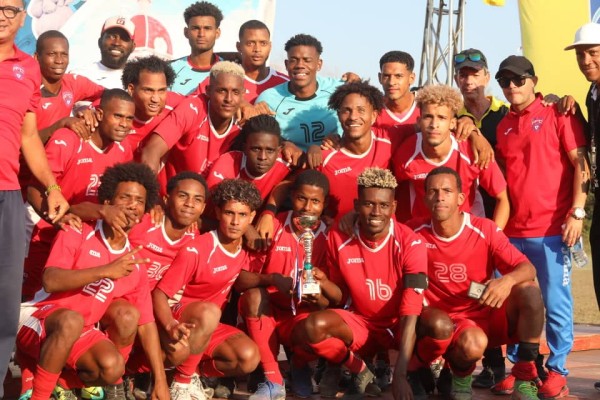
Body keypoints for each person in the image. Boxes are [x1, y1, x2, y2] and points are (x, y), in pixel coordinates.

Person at [17, 162, 168, 400]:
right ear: (106, 203)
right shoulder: (77, 228)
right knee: (71, 319)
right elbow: (50, 281)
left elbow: (146, 325)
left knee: (113, 364)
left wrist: (161, 383)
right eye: (125, 198)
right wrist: (105, 270)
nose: (132, 206)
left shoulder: (135, 261)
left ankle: (62, 383)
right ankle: (40, 395)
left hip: (80, 331)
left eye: (139, 201)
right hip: (38, 319)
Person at [494, 55, 589, 399]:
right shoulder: (503, 124)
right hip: (513, 232)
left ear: (534, 80)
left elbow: (582, 164)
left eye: (518, 80)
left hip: (552, 229)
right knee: (517, 305)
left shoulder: (558, 112)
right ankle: (524, 370)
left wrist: (576, 212)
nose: (512, 87)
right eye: (505, 81)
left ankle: (559, 370)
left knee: (556, 303)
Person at [291, 167, 429, 400]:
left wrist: (401, 374)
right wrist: (321, 284)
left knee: (439, 325)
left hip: (397, 325)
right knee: (311, 327)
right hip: (361, 324)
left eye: (384, 205)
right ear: (356, 205)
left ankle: (417, 370)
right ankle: (359, 370)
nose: (376, 212)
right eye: (368, 204)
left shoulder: (411, 242)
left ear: (393, 207)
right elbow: (339, 298)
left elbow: (410, 309)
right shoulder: (338, 236)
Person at [411, 166, 544, 400]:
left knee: (530, 292)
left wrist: (506, 281)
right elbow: (377, 225)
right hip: (438, 323)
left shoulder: (485, 229)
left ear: (461, 198)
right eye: (433, 191)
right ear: (425, 198)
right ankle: (452, 373)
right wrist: (351, 217)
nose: (440, 196)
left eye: (447, 191)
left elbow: (528, 268)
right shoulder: (413, 231)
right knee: (468, 340)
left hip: (481, 315)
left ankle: (524, 378)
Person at [0, 1, 69, 395]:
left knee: (5, 308)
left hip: (8, 195)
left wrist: (53, 187)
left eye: (9, 8)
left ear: (22, 18)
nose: (2, 15)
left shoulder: (28, 69)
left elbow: (29, 137)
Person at [152, 179, 263, 400]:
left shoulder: (248, 250)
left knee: (248, 357)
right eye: (229, 213)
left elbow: (243, 278)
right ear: (218, 212)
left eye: (242, 215)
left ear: (251, 218)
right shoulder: (196, 249)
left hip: (208, 326)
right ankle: (181, 384)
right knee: (210, 312)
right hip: (180, 319)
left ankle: (192, 374)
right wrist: (170, 324)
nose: (234, 221)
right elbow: (159, 294)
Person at [22, 89, 135, 301]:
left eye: (129, 119)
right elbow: (34, 191)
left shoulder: (124, 149)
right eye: (118, 116)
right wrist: (58, 219)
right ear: (99, 114)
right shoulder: (68, 138)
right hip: (46, 234)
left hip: (85, 244)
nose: (124, 124)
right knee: (26, 301)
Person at [238, 170, 336, 400]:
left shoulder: (332, 236)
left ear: (324, 204)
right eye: (302, 198)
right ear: (292, 197)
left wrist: (316, 296)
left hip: (302, 317)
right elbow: (241, 280)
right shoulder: (271, 226)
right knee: (252, 296)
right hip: (269, 312)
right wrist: (273, 279)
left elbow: (335, 299)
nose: (307, 207)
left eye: (315, 201)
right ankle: (273, 378)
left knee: (323, 320)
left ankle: (300, 365)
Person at [452, 47, 511, 390]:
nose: (469, 80)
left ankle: (507, 365)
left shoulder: (505, 113)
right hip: (467, 219)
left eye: (475, 73)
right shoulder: (453, 116)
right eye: (463, 74)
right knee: (470, 292)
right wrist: (470, 128)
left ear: (487, 77)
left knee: (499, 294)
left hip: (503, 216)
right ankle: (484, 364)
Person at [392, 84, 509, 227]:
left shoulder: (473, 151)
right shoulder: (407, 152)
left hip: (468, 235)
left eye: (441, 118)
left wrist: (492, 239)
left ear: (452, 123)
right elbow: (391, 194)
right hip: (424, 237)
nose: (434, 124)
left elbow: (502, 198)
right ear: (419, 121)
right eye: (428, 117)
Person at [564, 22, 600, 392]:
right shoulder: (592, 92)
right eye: (581, 54)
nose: (586, 60)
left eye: (593, 52)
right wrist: (573, 110)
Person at [140, 61, 246, 183]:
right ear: (208, 90)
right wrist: (151, 197)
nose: (229, 99)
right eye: (222, 91)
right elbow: (151, 151)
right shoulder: (193, 109)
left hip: (205, 199)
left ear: (243, 94)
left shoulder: (242, 126)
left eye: (235, 92)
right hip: (168, 196)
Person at [255, 34, 348, 153]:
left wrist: (342, 139)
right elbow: (259, 140)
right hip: (290, 167)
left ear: (319, 64)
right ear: (286, 64)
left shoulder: (340, 89)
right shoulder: (268, 100)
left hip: (334, 166)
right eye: (294, 60)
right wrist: (283, 144)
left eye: (307, 60)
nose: (300, 65)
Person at [33, 30, 104, 143]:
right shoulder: (26, 90)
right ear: (37, 57)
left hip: (60, 156)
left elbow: (111, 96)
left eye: (64, 54)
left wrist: (90, 110)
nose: (59, 61)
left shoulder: (72, 82)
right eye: (52, 54)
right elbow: (21, 142)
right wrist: (61, 124)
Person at [121, 55, 184, 152]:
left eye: (161, 90)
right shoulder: (113, 110)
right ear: (131, 89)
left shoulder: (177, 104)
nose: (155, 99)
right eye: (148, 90)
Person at [170, 1, 223, 95]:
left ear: (217, 33)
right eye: (195, 28)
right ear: (186, 32)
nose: (201, 34)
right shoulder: (171, 70)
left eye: (207, 28)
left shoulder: (230, 70)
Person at [70, 16, 136, 90]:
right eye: (111, 36)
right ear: (100, 42)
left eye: (124, 38)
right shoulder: (78, 75)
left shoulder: (139, 81)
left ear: (133, 47)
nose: (117, 43)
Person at [236, 20, 288, 104]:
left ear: (270, 46)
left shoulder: (285, 83)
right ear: (239, 47)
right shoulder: (224, 80)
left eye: (263, 43)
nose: (257, 49)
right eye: (250, 43)